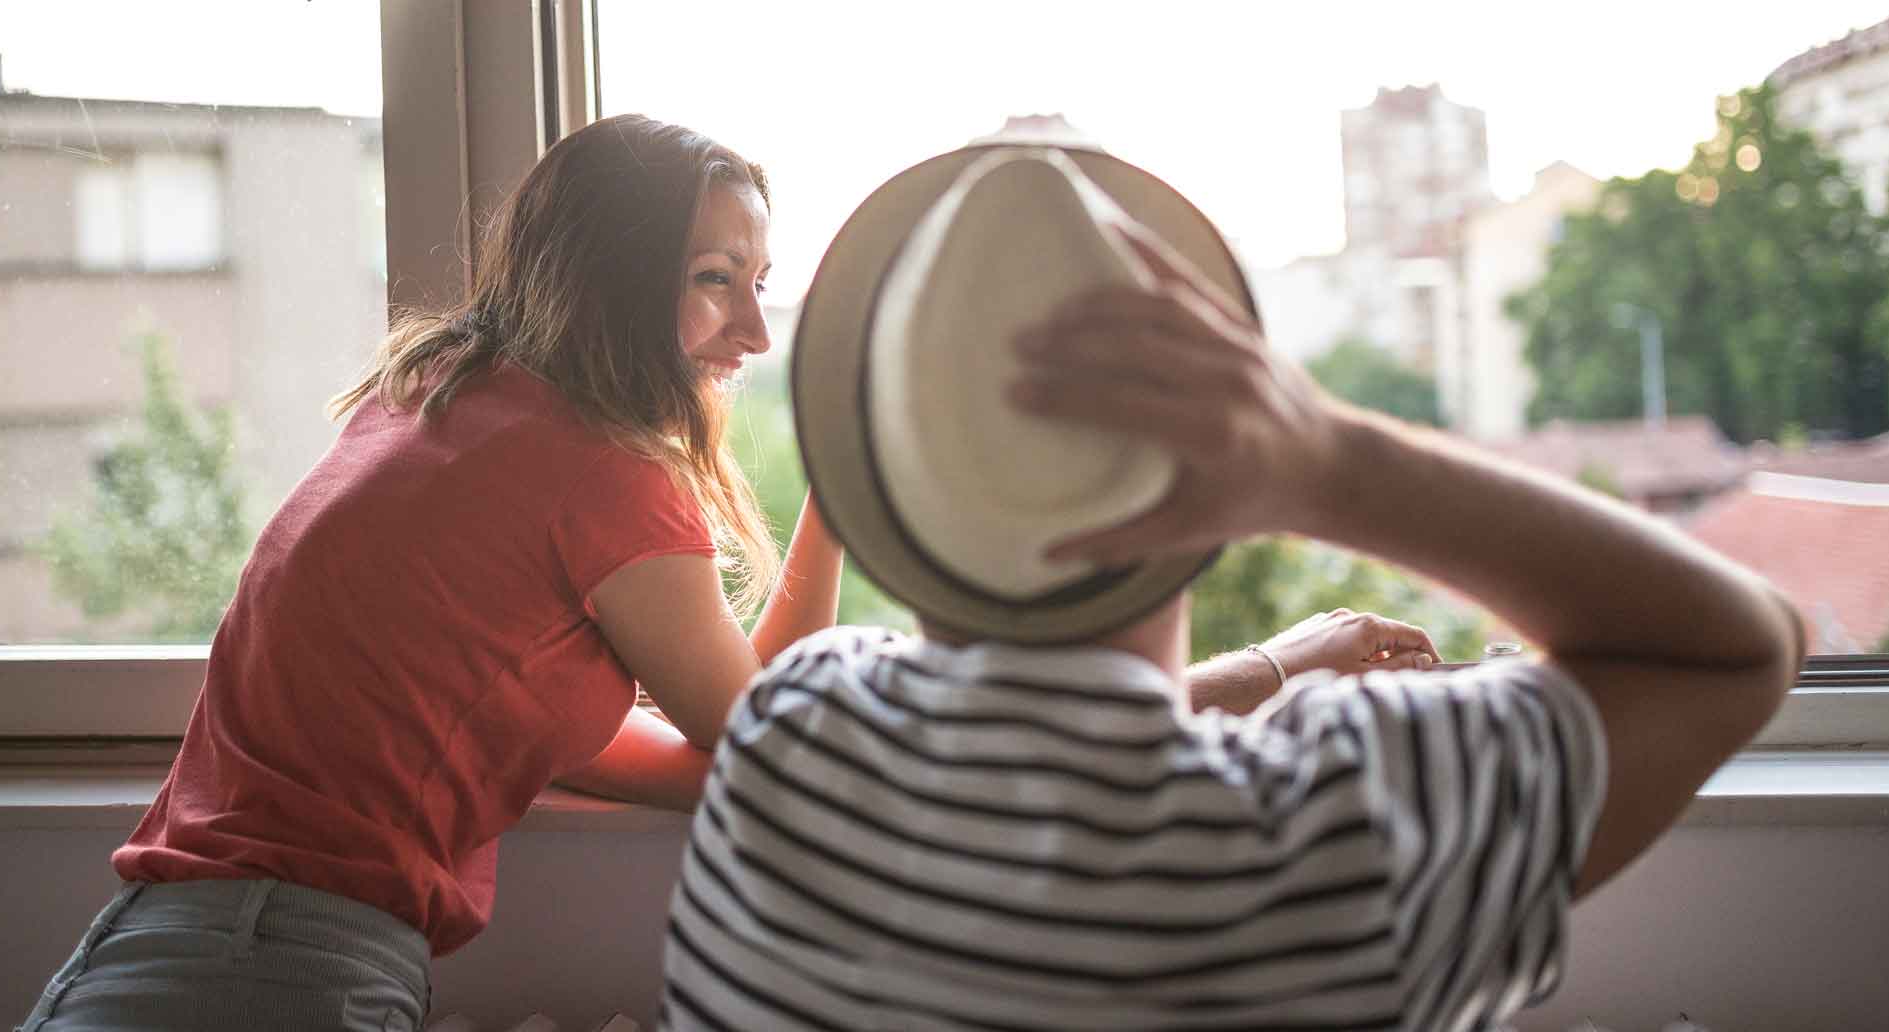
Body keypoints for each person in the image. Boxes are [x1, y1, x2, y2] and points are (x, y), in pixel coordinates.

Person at [660, 142, 1801, 1030]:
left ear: (882, 494)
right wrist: (1329, 464)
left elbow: (1028, 760)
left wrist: (1273, 664)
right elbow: (1746, 646)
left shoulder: (790, 733)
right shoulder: (1332, 840)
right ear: (1220, 485)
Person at [16, 114, 849, 1032]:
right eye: (714, 280)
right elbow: (769, 730)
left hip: (160, 941)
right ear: (610, 277)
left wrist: (737, 760)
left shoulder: (433, 394)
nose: (756, 333)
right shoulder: (601, 472)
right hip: (286, 967)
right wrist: (844, 489)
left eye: (759, 283)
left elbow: (566, 734)